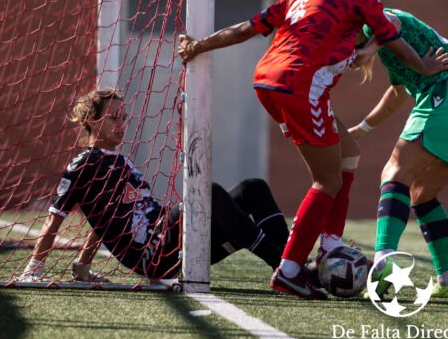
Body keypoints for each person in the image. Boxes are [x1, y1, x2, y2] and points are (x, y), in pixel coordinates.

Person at [177, 0, 448, 300]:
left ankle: (331, 244)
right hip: (302, 86)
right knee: (327, 181)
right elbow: (394, 38)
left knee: (348, 151)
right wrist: (424, 65)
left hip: (267, 82)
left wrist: (198, 45)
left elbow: (247, 28)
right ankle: (289, 270)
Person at [19, 88, 289, 284]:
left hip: (172, 242)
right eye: (114, 119)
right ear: (90, 121)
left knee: (253, 188)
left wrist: (83, 265)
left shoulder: (120, 162)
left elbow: (104, 222)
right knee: (212, 193)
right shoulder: (82, 165)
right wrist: (34, 267)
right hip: (154, 253)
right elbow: (53, 220)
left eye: (123, 119)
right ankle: (284, 267)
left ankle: (293, 263)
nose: (121, 125)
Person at [348, 9, 448, 300]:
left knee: (394, 173)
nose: (348, 59)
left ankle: (384, 262)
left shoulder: (371, 19)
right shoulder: (392, 50)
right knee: (422, 194)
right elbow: (398, 94)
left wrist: (368, 47)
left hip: (445, 93)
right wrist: (363, 128)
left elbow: (389, 21)